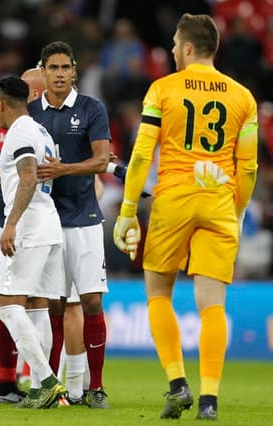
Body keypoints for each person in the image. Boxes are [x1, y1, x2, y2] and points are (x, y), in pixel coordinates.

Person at [113, 13, 258, 420]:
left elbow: (142, 154)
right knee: (213, 305)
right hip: (219, 199)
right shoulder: (242, 97)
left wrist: (127, 210)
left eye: (176, 44)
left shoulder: (163, 89)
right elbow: (248, 168)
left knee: (159, 293)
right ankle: (210, 400)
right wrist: (239, 210)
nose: (173, 50)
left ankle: (178, 384)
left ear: (188, 47)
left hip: (174, 197)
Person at [33, 41, 111, 409]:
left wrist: (63, 169)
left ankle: (95, 387)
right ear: (43, 72)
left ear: (74, 71)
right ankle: (57, 389)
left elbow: (100, 161)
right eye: (54, 67)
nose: (60, 73)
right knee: (54, 307)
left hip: (84, 219)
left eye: (66, 67)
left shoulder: (91, 109)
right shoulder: (31, 114)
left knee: (92, 302)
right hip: (47, 221)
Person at [0, 76, 67, 409]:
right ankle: (38, 389)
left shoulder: (19, 132)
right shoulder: (41, 131)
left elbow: (27, 176)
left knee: (8, 305)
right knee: (37, 308)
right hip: (50, 223)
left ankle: (48, 380)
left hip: (30, 225)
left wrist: (11, 224)